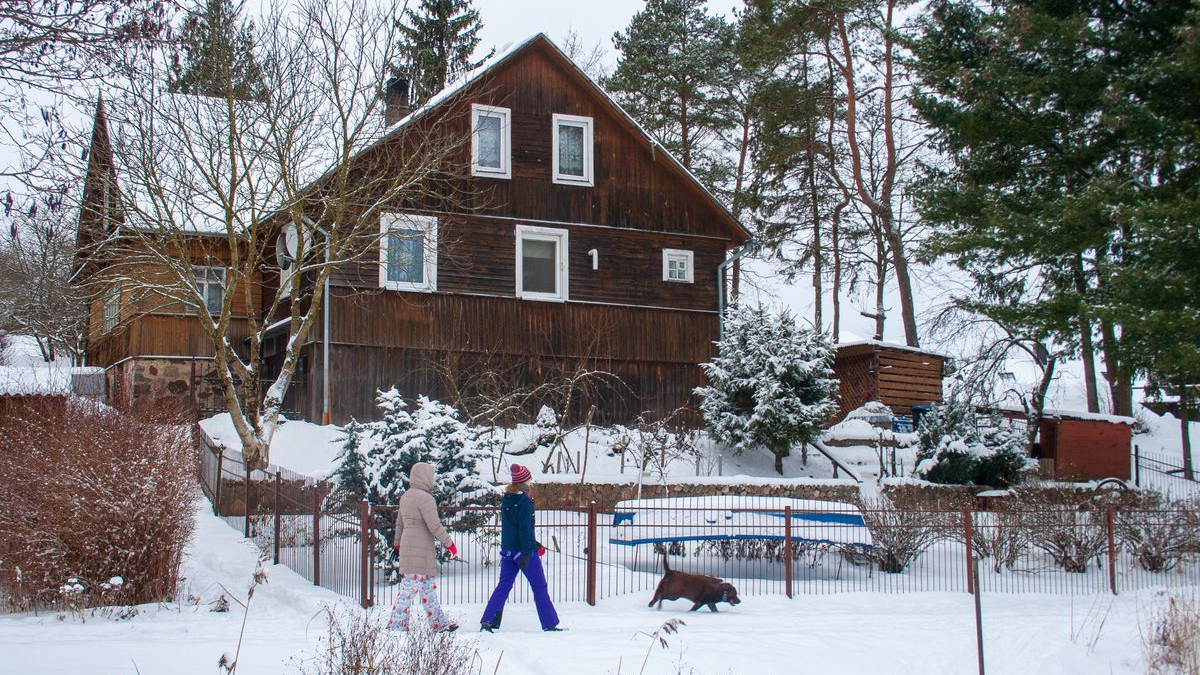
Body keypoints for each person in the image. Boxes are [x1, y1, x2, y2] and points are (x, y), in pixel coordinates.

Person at [479, 464, 562, 632]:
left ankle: (488, 621)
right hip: (524, 553)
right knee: (539, 587)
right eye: (529, 479)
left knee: (504, 585)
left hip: (508, 551)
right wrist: (528, 550)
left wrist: (533, 543)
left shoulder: (507, 499)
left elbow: (513, 528)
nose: (531, 481)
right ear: (524, 481)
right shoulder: (524, 501)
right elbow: (524, 528)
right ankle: (549, 623)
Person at [388, 461, 459, 633]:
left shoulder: (406, 496)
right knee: (408, 591)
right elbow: (434, 526)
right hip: (420, 550)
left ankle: (439, 625)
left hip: (408, 547)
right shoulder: (427, 499)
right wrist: (450, 544)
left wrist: (397, 546)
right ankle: (396, 627)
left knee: (427, 590)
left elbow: (399, 525)